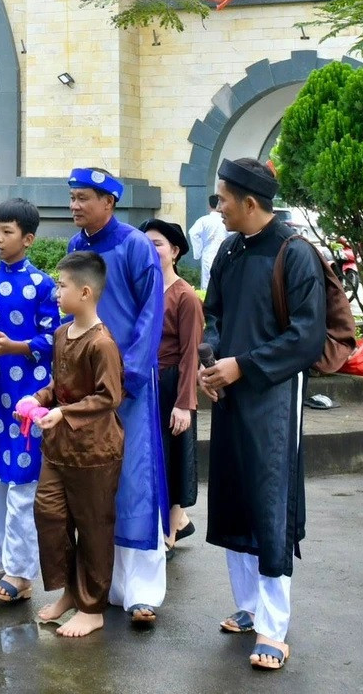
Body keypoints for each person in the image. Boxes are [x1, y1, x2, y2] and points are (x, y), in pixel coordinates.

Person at [199, 157, 325, 672]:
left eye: (224, 199)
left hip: (273, 394)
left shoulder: (295, 253)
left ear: (250, 203)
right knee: (235, 494)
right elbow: (213, 313)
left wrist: (243, 366)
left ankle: (274, 625)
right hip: (229, 390)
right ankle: (249, 605)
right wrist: (211, 360)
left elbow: (306, 336)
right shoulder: (229, 249)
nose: (218, 208)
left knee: (271, 500)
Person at [64, 166, 168, 625]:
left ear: (108, 202)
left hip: (129, 384)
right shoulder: (75, 246)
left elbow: (151, 311)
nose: (74, 205)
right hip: (88, 386)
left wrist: (130, 374)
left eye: (83, 198)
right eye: (72, 197)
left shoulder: (135, 245)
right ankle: (101, 584)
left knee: (134, 480)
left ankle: (142, 591)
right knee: (93, 485)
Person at [0, 197, 63, 603]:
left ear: (28, 239)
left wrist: (15, 347)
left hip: (28, 398)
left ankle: (22, 573)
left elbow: (53, 338)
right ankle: (8, 565)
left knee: (23, 485)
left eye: (7, 232)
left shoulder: (42, 285)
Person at [31, 249, 125, 639]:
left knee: (93, 527)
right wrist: (40, 397)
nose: (57, 292)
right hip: (59, 447)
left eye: (62, 285)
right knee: (50, 515)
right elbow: (61, 383)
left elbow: (109, 396)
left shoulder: (101, 343)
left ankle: (92, 607)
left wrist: (64, 413)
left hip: (95, 450)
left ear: (85, 292)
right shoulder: (60, 334)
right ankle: (70, 592)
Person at [141, 218, 202, 548]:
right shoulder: (142, 289)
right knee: (152, 456)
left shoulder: (185, 296)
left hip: (172, 383)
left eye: (158, 244)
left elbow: (191, 353)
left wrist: (184, 403)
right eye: (146, 244)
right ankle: (180, 521)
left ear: (175, 251)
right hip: (145, 384)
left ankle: (171, 532)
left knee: (176, 456)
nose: (151, 251)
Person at [188, 193, 227, 276]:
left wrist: (198, 252)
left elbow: (193, 233)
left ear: (209, 205)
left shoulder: (203, 220)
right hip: (224, 252)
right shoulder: (226, 220)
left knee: (207, 279)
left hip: (208, 253)